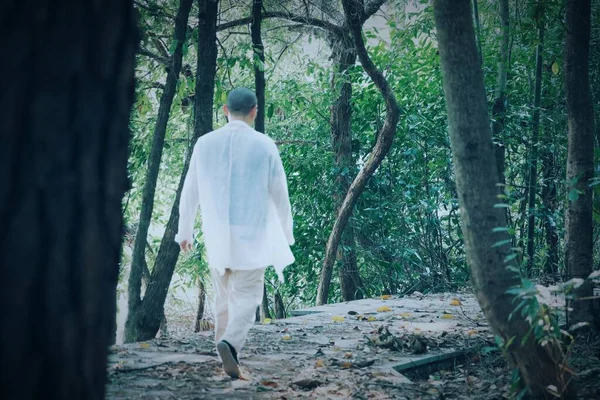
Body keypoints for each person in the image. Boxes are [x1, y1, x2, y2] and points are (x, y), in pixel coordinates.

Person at [175, 87, 295, 379]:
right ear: (255, 111)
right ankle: (230, 343)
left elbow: (190, 189)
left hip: (217, 235)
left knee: (224, 296)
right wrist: (286, 233)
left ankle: (224, 352)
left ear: (225, 111)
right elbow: (280, 194)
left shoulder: (204, 143)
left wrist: (184, 231)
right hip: (252, 235)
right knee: (250, 297)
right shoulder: (265, 145)